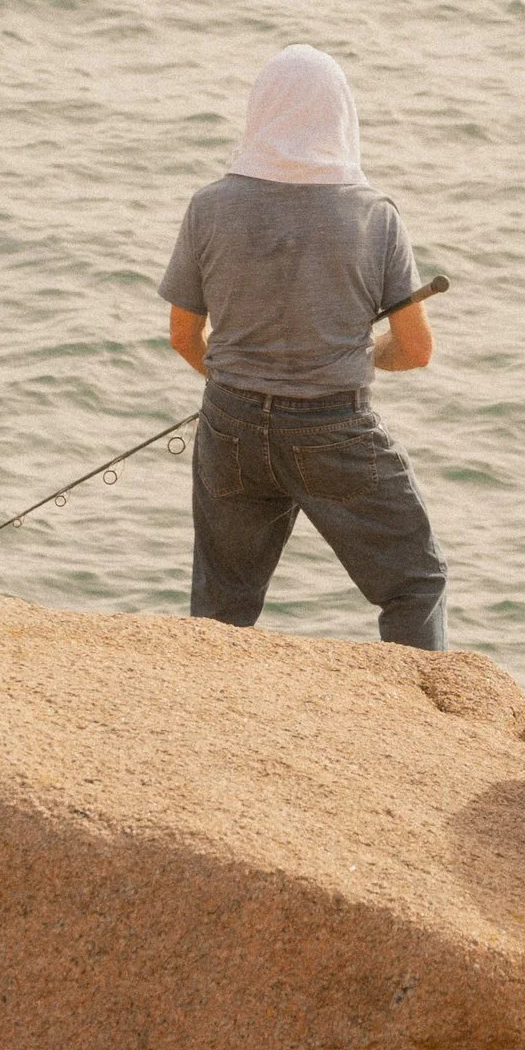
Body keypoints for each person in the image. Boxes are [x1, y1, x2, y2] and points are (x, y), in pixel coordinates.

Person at [158, 46, 448, 650]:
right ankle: (425, 732)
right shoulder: (375, 217)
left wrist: (243, 381)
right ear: (342, 117)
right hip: (333, 428)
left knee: (220, 610)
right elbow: (416, 349)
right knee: (414, 584)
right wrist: (362, 355)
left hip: (230, 423)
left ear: (259, 111)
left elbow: (184, 336)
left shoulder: (209, 208)